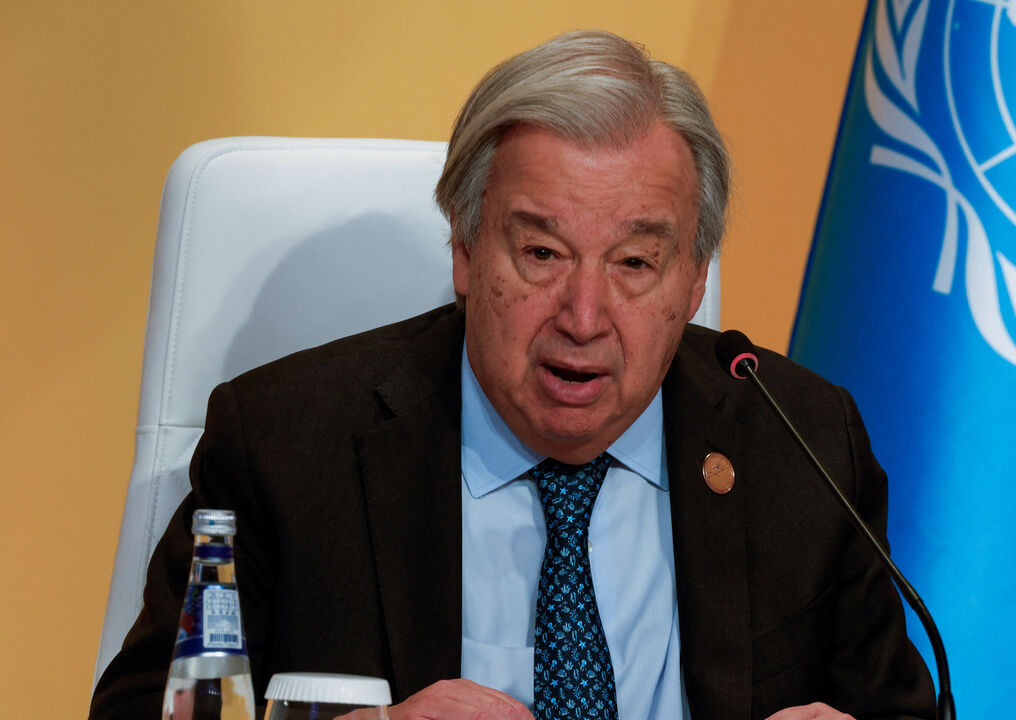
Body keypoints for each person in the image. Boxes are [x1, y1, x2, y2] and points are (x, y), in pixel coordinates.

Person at [90, 30, 935, 720]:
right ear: (464, 251)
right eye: (541, 253)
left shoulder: (802, 446)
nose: (584, 316)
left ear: (693, 279)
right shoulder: (285, 446)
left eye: (635, 262)